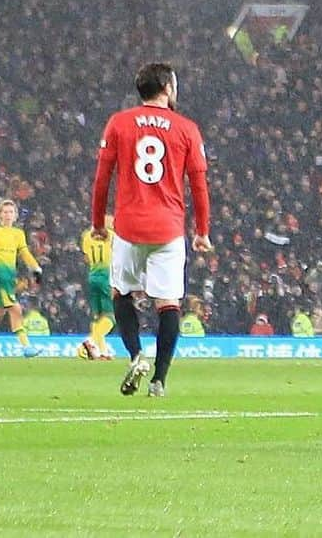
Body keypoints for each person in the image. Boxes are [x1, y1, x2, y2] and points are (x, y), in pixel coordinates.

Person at [90, 62, 211, 398]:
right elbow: (199, 184)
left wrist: (98, 223)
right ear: (168, 88)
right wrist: (202, 231)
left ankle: (135, 355)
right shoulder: (186, 128)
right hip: (168, 228)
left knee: (121, 293)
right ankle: (159, 380)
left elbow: (102, 179)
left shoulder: (119, 122)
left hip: (128, 226)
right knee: (168, 302)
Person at [0, 200, 43, 359]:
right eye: (5, 212)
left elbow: (24, 254)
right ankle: (26, 346)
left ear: (15, 215)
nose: (8, 215)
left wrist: (36, 268)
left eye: (11, 212)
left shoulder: (18, 234)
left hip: (10, 276)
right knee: (15, 309)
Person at [80, 218, 116, 359]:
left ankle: (102, 352)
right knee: (110, 317)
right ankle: (91, 340)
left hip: (93, 275)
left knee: (98, 316)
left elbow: (86, 258)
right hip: (106, 276)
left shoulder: (87, 236)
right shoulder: (112, 237)